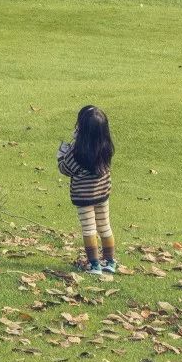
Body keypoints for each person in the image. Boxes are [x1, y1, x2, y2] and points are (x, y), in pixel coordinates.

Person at [57, 104, 116, 274]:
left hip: (84, 197)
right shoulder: (106, 147)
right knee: (105, 226)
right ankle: (109, 261)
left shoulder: (77, 151)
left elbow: (65, 169)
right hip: (102, 194)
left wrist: (62, 154)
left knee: (89, 228)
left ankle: (94, 264)